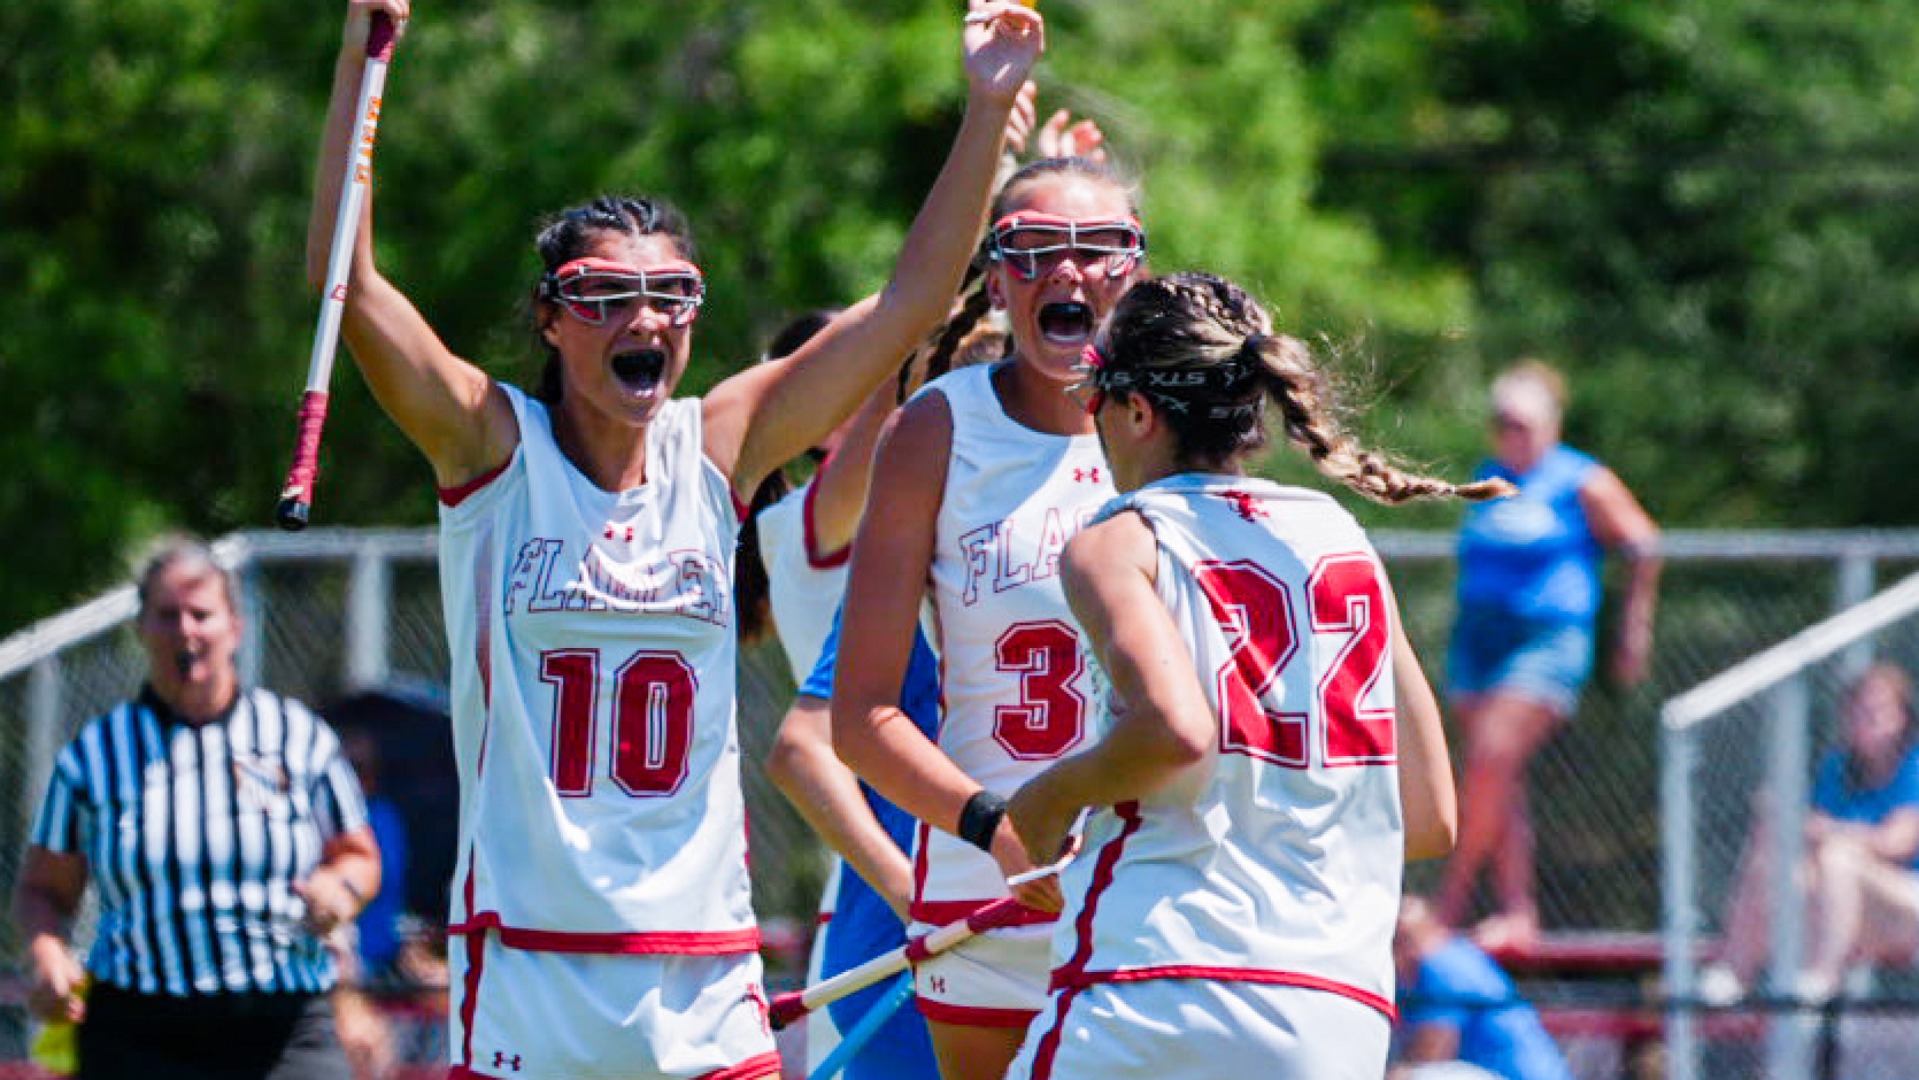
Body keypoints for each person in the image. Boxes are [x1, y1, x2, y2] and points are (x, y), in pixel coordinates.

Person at [307, 2, 1044, 1076]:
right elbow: (347, 282)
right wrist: (354, 58)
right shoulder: (490, 450)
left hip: (700, 985)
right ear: (551, 320)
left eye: (669, 295)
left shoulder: (720, 446)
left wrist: (983, 106)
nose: (641, 319)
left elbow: (907, 306)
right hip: (528, 979)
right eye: (603, 296)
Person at [995, 271, 1496, 1080]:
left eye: (1093, 397)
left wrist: (1045, 803)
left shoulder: (1121, 539)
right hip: (1335, 1018)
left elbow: (1177, 732)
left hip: (1160, 991)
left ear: (1134, 410)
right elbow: (1430, 816)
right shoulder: (1340, 539)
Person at [831, 149, 1152, 1080]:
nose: (1066, 270)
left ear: (1136, 270)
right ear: (997, 276)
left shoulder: (1171, 419)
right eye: (1031, 247)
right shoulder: (939, 426)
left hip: (1150, 876)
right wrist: (998, 829)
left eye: (1098, 246)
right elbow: (860, 719)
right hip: (988, 886)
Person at [13, 538, 381, 1080]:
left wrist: (338, 890)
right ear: (141, 628)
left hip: (282, 1025)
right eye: (167, 615)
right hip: (142, 1032)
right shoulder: (96, 755)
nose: (185, 630)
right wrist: (46, 952)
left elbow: (359, 855)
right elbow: (43, 888)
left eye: (200, 614)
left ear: (235, 626)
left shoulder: (296, 737)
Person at [1434, 359, 1662, 949]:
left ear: (1551, 423)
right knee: (1498, 778)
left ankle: (1446, 907)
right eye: (1502, 421)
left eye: (1523, 422)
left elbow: (1642, 544)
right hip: (1480, 642)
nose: (1512, 433)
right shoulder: (1488, 474)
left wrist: (1632, 630)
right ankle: (1517, 910)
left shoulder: (1580, 479)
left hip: (1545, 642)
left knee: (1490, 758)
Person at [1699, 663, 1919, 1006]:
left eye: (1877, 712)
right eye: (1858, 712)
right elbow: (1809, 832)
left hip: (1905, 906)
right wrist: (1787, 819)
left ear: (1902, 717)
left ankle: (1823, 978)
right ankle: (1734, 970)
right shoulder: (1837, 767)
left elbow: (1898, 843)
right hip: (1843, 907)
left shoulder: (1914, 767)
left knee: (1838, 858)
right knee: (1771, 843)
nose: (1866, 721)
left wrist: (1826, 830)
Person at [1391, 895, 1575, 1080]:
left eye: (1404, 939)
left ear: (1428, 930)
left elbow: (1430, 1054)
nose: (1401, 950)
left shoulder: (1442, 965)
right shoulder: (1441, 958)